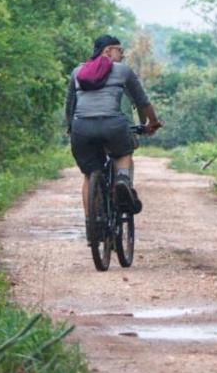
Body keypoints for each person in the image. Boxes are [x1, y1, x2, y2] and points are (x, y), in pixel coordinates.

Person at [65, 35, 162, 235]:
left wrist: (71, 128)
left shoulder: (77, 72)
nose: (123, 54)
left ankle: (92, 223)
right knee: (123, 152)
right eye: (120, 50)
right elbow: (142, 102)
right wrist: (152, 123)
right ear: (107, 51)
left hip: (81, 128)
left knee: (89, 174)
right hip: (113, 125)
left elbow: (69, 108)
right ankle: (122, 181)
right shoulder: (123, 71)